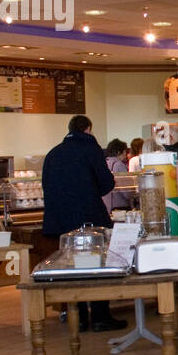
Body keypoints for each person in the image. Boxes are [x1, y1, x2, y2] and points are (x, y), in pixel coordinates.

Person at [40, 115, 127, 332]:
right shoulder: (92, 150)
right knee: (97, 266)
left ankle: (75, 316)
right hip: (89, 218)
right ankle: (99, 316)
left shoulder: (53, 153)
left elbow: (46, 186)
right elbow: (106, 183)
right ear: (88, 129)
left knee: (71, 267)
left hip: (61, 221)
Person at [102, 139, 130, 212]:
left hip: (105, 206)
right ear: (118, 152)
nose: (126, 155)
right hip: (119, 207)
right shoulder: (119, 165)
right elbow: (126, 192)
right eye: (125, 152)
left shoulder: (104, 163)